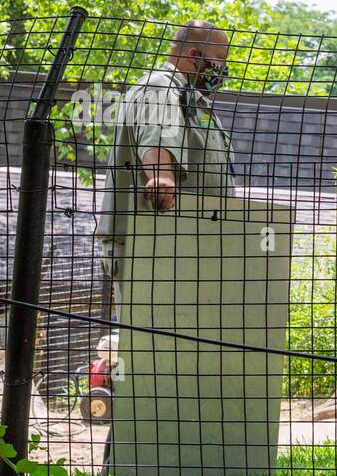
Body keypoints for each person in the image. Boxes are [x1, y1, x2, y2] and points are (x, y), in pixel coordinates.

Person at [94, 19, 237, 312]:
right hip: (151, 242)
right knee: (150, 348)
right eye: (220, 59)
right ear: (195, 55)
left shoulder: (194, 102)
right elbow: (156, 136)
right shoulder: (160, 88)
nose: (223, 69)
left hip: (181, 245)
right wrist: (161, 178)